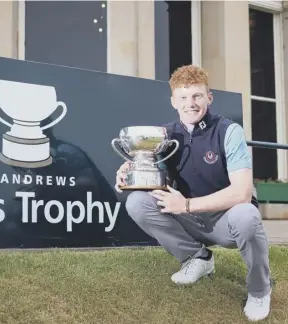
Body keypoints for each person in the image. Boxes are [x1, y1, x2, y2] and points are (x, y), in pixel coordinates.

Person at [114, 65, 272, 322]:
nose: (191, 103)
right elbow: (152, 180)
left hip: (226, 221)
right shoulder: (165, 135)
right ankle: (197, 258)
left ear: (209, 97)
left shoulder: (228, 131)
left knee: (247, 214)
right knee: (137, 202)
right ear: (173, 101)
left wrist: (186, 204)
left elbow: (242, 193)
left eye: (197, 96)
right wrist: (129, 174)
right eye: (184, 97)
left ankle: (259, 290)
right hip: (189, 220)